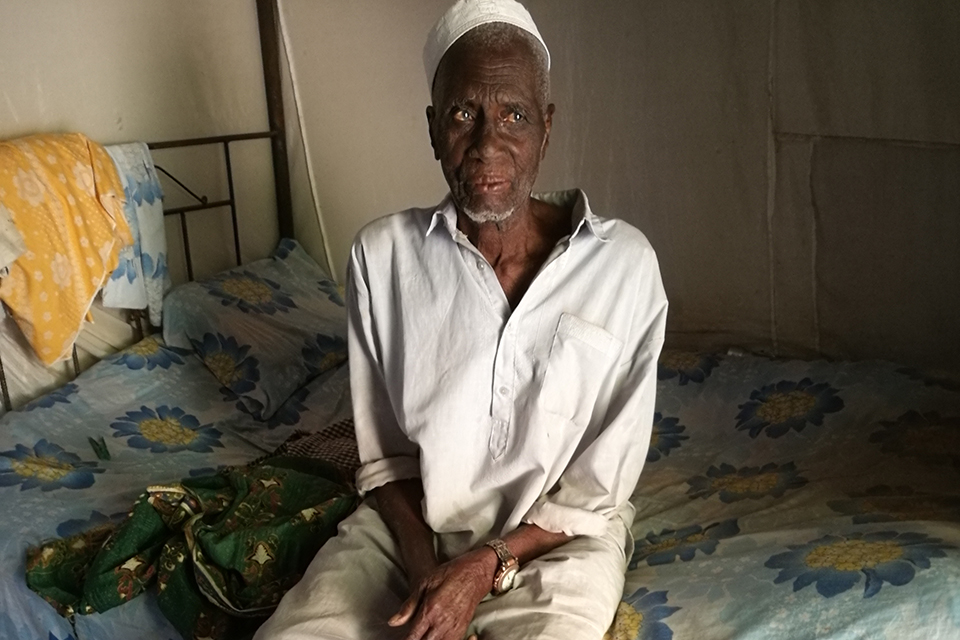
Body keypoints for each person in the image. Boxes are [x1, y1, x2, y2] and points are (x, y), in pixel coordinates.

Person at [255, 1, 667, 638]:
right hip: (409, 535)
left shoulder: (624, 266)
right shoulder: (381, 258)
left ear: (546, 128)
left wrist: (482, 569)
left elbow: (597, 485)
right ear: (431, 129)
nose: (487, 144)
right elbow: (385, 461)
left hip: (557, 540)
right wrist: (426, 573)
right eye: (462, 114)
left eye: (513, 115)